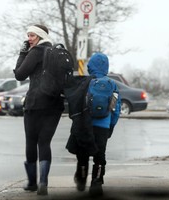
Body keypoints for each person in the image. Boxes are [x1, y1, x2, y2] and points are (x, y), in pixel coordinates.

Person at [13, 24, 64, 195]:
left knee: (31, 142)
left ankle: (33, 183)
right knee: (45, 143)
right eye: (28, 35)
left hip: (35, 104)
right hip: (55, 105)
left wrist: (22, 53)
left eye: (32, 35)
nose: (29, 39)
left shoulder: (36, 52)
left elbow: (20, 74)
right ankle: (44, 182)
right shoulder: (56, 52)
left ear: (40, 36)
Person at [65, 52, 121, 196]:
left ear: (91, 66)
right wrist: (111, 126)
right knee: (100, 155)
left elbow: (77, 104)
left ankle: (82, 178)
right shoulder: (112, 84)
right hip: (103, 125)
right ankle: (96, 183)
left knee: (82, 154)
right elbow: (115, 108)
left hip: (86, 125)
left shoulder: (85, 82)